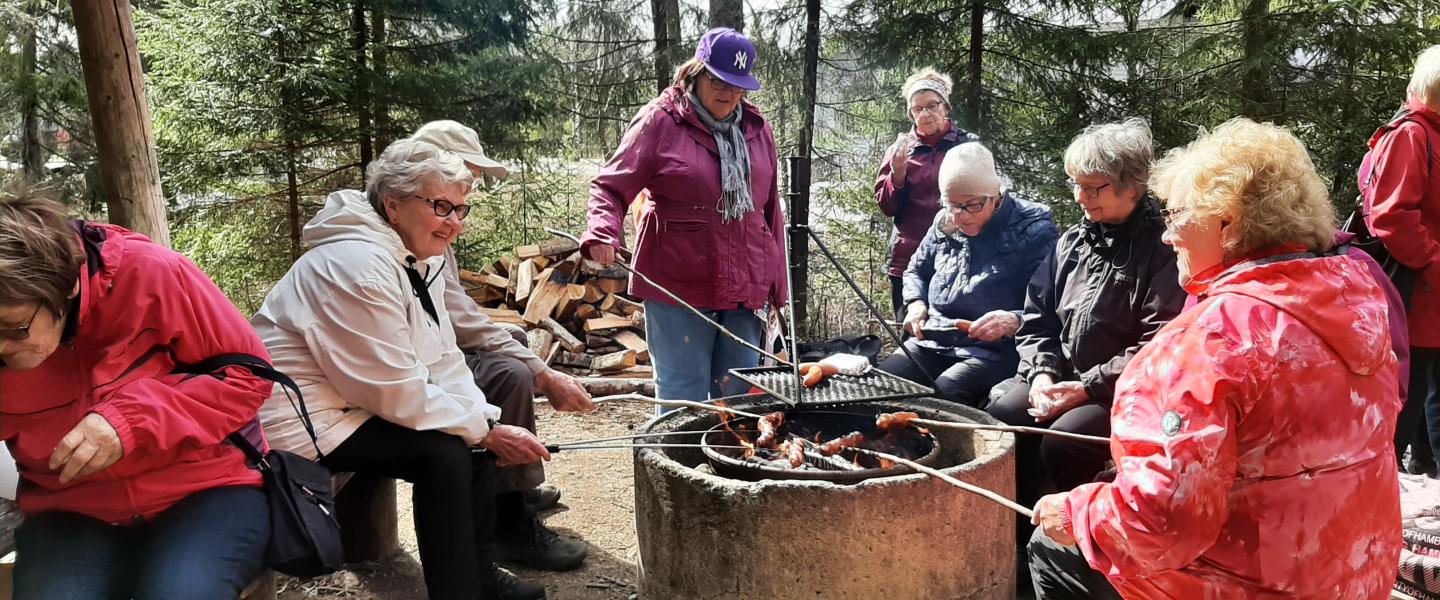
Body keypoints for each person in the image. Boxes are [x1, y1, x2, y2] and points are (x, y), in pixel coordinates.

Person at [1029, 117, 1403, 599]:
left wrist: (1077, 511)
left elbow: (1157, 525)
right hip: (1355, 573)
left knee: (1051, 548)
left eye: (1177, 216)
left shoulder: (1207, 342)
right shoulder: (1356, 295)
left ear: (1226, 222)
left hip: (1252, 584)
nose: (1167, 236)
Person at [252, 140, 548, 600]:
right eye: (442, 207)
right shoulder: (355, 266)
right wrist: (483, 432)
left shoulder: (414, 259)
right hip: (299, 419)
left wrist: (485, 421)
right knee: (445, 455)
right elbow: (392, 391)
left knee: (469, 437)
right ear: (393, 205)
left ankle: (479, 576)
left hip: (345, 403)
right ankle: (461, 591)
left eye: (462, 210)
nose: (456, 224)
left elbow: (442, 357)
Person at [0, 195, 271, 598]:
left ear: (67, 286)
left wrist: (131, 421)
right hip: (69, 508)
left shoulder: (152, 274)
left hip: (205, 489)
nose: (1, 347)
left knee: (179, 592)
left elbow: (249, 376)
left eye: (15, 328)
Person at [408, 119, 595, 570]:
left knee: (510, 344)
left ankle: (515, 486)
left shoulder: (434, 219)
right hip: (406, 366)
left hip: (422, 349)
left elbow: (457, 313)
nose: (472, 187)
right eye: (468, 174)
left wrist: (532, 361)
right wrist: (541, 371)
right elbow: (457, 318)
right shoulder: (413, 227)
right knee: (510, 372)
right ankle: (509, 522)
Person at [581, 27, 787, 404]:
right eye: (718, 81)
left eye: (738, 84)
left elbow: (769, 209)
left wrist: (777, 284)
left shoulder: (757, 129)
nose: (729, 93)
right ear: (696, 73)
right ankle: (674, 463)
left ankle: (729, 464)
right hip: (679, 283)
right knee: (683, 395)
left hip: (746, 283)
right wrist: (601, 230)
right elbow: (610, 185)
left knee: (739, 395)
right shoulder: (661, 122)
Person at [986, 118, 1184, 501]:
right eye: (1075, 184)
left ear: (1133, 186)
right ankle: (1015, 527)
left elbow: (1158, 345)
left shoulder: (1163, 249)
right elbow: (1036, 318)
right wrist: (1042, 372)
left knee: (1062, 443)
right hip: (1060, 375)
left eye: (1093, 187)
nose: (1080, 196)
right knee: (1000, 420)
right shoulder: (1072, 243)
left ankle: (1077, 536)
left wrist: (1087, 386)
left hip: (1118, 391)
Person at [881, 143, 1057, 407]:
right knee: (883, 384)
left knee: (944, 396)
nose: (960, 216)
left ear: (995, 196)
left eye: (972, 205)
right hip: (935, 338)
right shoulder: (944, 222)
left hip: (993, 350)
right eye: (952, 204)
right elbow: (916, 270)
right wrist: (916, 303)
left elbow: (1054, 301)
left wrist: (1013, 320)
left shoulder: (1032, 229)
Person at [1365, 44, 1440, 474]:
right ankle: (1389, 493)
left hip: (1431, 291)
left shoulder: (1433, 130)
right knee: (1406, 392)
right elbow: (1391, 217)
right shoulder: (1412, 135)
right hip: (1417, 290)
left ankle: (1422, 470)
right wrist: (1433, 260)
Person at [874, 68, 979, 318]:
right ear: (910, 113)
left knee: (956, 333)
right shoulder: (900, 149)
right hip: (908, 259)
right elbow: (887, 207)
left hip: (962, 256)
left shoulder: (968, 145)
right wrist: (897, 174)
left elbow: (985, 200)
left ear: (946, 107)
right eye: (917, 109)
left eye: (932, 105)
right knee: (913, 335)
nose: (925, 113)